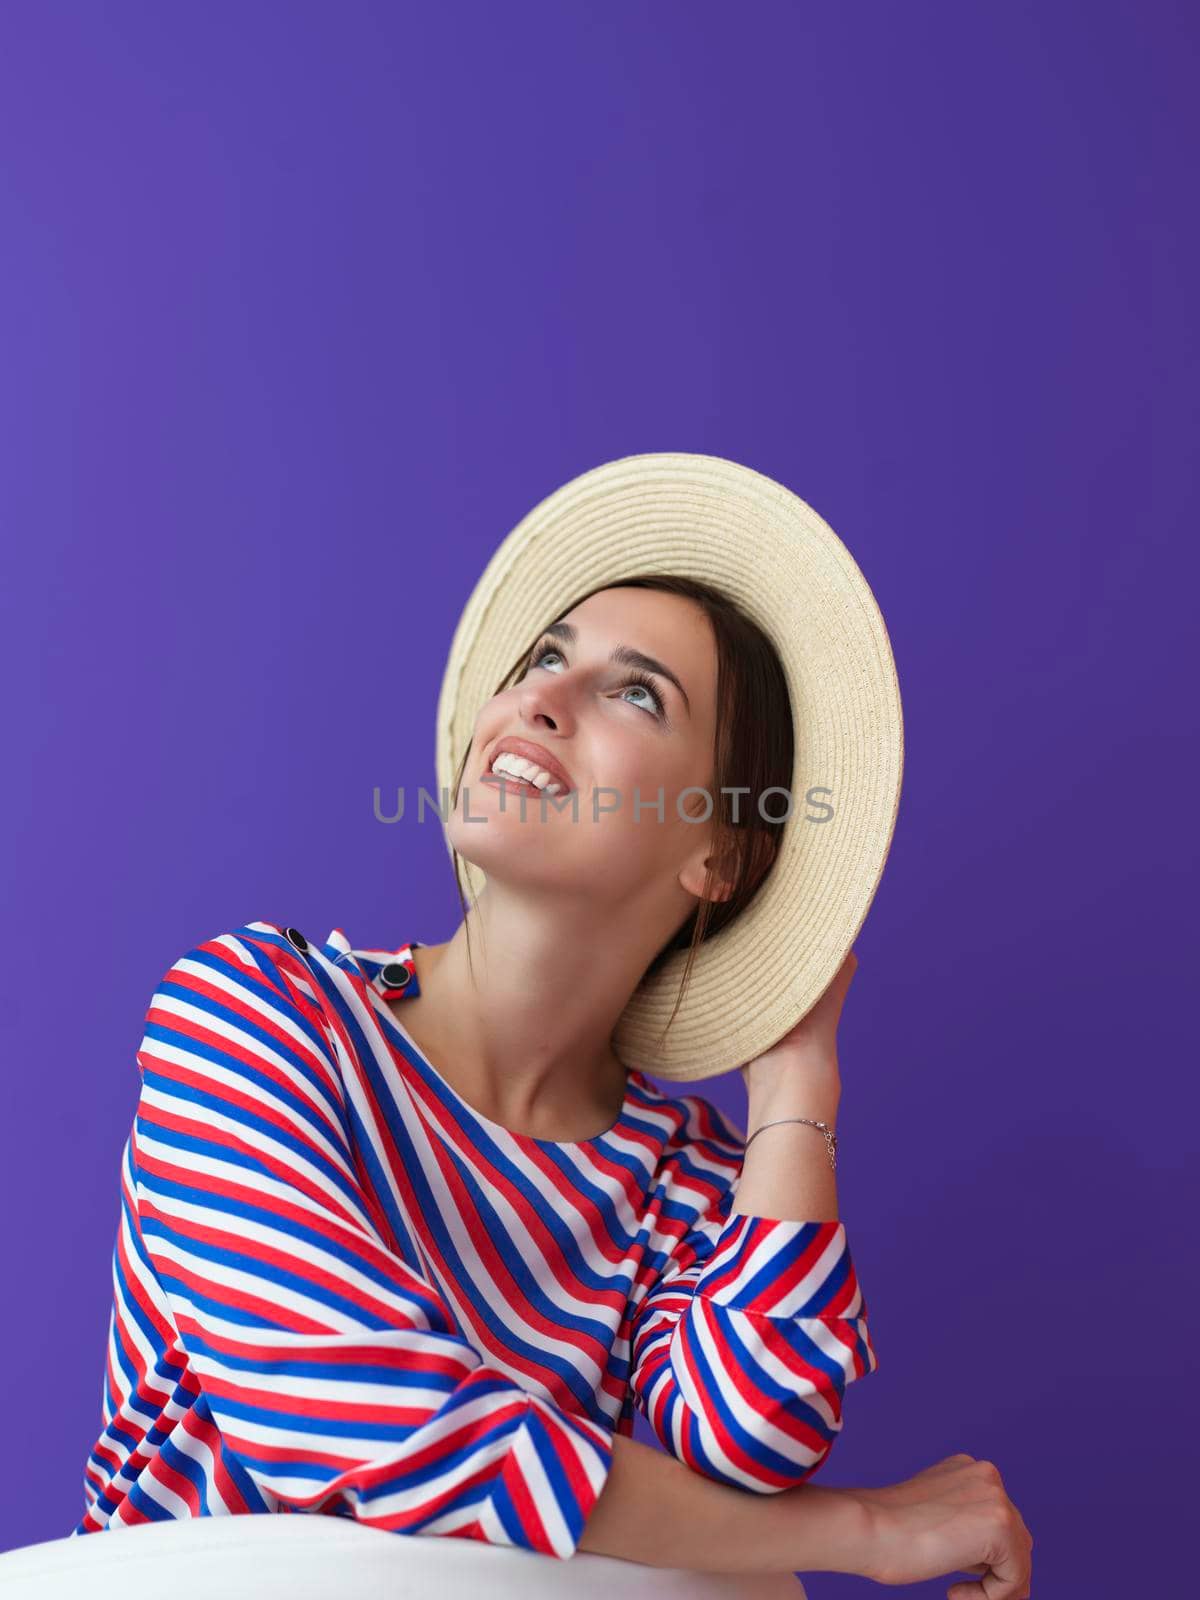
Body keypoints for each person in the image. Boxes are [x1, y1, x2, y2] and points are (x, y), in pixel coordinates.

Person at [74, 455, 1033, 1594]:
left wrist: (794, 1085)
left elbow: (749, 1446)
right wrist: (865, 1533)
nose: (539, 698)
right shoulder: (257, 1012)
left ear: (717, 852)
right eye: (544, 657)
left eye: (636, 693)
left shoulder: (688, 1183)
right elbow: (365, 1424)